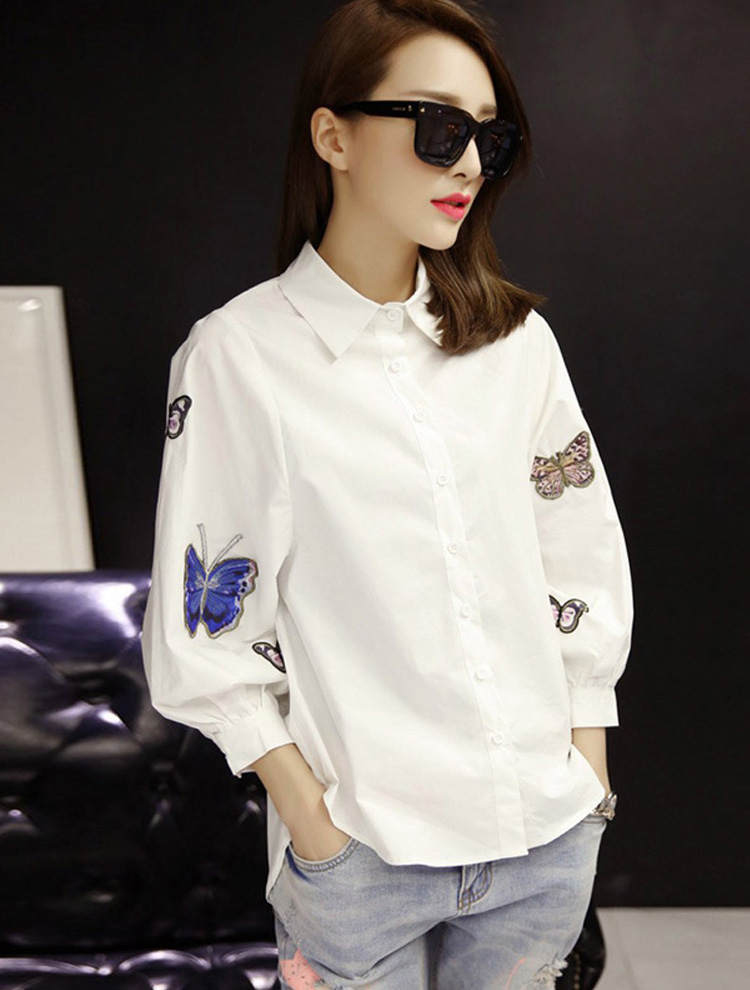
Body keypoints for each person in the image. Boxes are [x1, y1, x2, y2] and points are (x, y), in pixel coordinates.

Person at [141, 1, 634, 987]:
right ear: (334, 137)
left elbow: (578, 558)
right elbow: (205, 630)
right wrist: (312, 822)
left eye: (489, 136)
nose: (470, 164)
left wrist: (589, 781)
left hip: (543, 838)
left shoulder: (516, 346)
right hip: (362, 860)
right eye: (438, 127)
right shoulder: (238, 358)